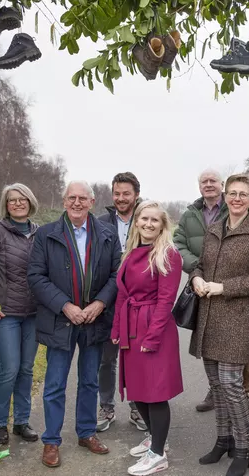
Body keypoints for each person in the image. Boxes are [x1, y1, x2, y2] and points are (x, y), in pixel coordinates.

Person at [27, 181, 121, 468]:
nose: (77, 203)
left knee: (89, 381)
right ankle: (52, 441)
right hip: (60, 320)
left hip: (94, 320)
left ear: (92, 201)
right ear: (64, 200)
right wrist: (65, 306)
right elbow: (36, 276)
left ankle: (86, 432)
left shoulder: (107, 234)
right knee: (55, 384)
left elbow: (117, 274)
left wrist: (100, 303)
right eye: (72, 198)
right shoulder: (45, 234)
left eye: (83, 198)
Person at [189, 174, 249, 476]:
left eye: (243, 194)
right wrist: (197, 277)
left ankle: (243, 448)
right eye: (232, 193)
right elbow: (200, 264)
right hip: (209, 318)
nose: (237, 198)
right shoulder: (213, 229)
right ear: (225, 196)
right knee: (216, 385)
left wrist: (222, 287)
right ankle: (222, 440)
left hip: (238, 320)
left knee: (232, 386)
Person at [111, 201, 184, 476]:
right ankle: (156, 440)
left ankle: (158, 454)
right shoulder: (130, 252)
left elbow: (166, 300)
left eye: (155, 220)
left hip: (155, 327)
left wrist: (153, 337)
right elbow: (121, 294)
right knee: (138, 389)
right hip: (131, 326)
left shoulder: (168, 254)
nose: (149, 224)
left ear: (163, 225)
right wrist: (117, 328)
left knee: (155, 393)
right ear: (137, 222)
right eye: (144, 219)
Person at [174, 169, 249, 418]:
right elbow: (178, 244)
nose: (208, 185)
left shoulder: (233, 206)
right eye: (203, 181)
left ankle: (242, 397)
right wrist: (200, 267)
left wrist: (217, 265)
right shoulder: (189, 215)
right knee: (210, 342)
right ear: (199, 187)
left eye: (213, 181)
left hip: (230, 287)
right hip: (203, 285)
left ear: (222, 185)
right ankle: (215, 392)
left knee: (235, 347)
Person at [0, 183, 41, 446]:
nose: (17, 203)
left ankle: (21, 422)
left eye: (22, 199)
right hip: (5, 314)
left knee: (26, 369)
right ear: (6, 205)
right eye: (12, 200)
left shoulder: (40, 233)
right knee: (9, 369)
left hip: (33, 314)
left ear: (30, 201)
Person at [98, 172, 147, 432]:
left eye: (126, 193)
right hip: (108, 303)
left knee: (137, 359)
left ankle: (138, 408)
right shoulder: (101, 222)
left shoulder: (147, 219)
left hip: (138, 304)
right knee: (107, 359)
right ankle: (106, 407)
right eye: (117, 193)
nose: (121, 198)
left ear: (136, 194)